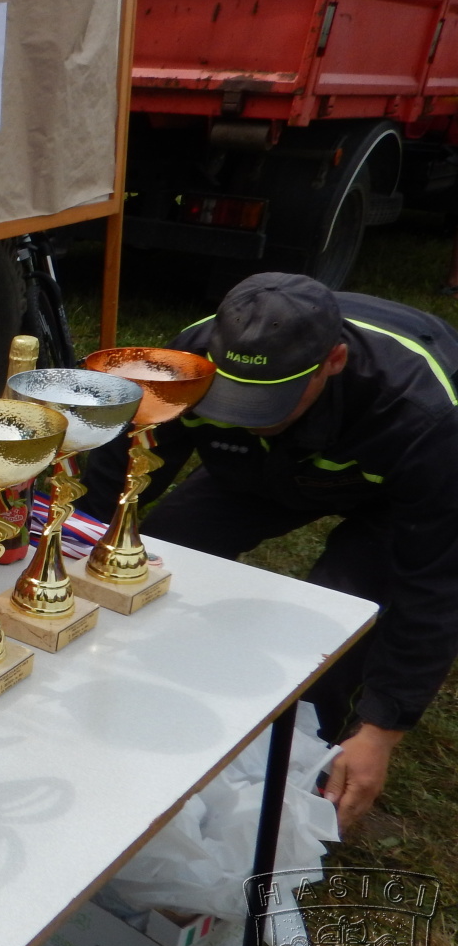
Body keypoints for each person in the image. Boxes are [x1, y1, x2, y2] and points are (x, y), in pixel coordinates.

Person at [79, 273, 458, 831]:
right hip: (253, 469)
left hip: (392, 488)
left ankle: (302, 777)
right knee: (162, 550)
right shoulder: (188, 361)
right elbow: (122, 470)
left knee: (337, 621)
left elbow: (434, 586)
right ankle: (146, 699)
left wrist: (382, 730)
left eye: (270, 400)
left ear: (333, 360)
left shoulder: (426, 416)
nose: (253, 414)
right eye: (236, 398)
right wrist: (77, 540)